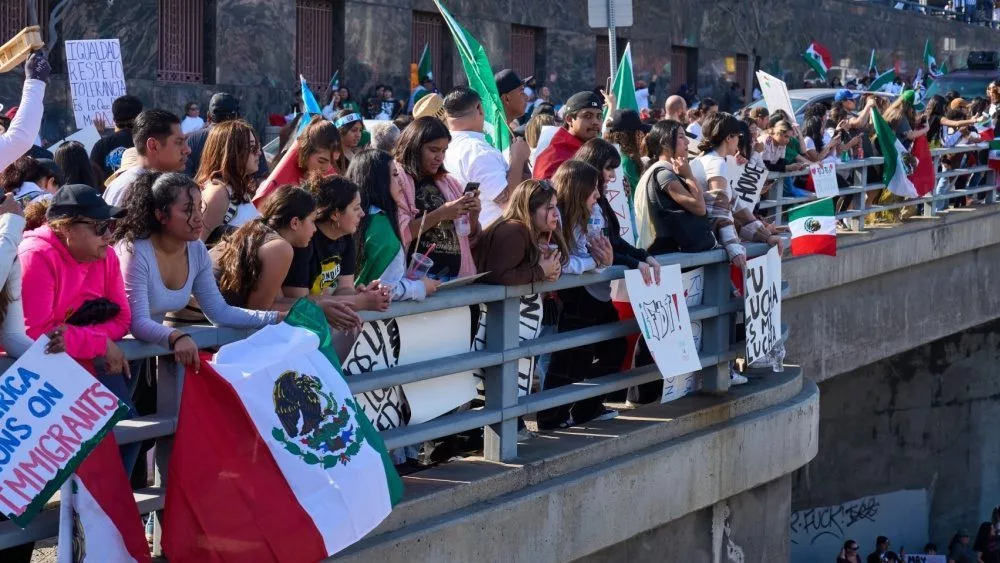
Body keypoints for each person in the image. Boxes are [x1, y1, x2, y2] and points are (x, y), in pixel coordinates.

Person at [113, 171, 282, 371]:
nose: (198, 219)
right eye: (187, 210)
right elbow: (137, 321)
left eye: (200, 208)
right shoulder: (134, 251)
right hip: (106, 355)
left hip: (142, 355)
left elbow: (219, 312)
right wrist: (176, 337)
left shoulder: (196, 249)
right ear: (160, 215)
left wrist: (277, 318)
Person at [535, 160, 617, 430]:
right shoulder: (555, 215)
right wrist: (596, 263)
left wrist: (603, 260)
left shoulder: (587, 214)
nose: (598, 195)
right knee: (569, 359)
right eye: (594, 189)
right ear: (579, 189)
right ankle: (551, 417)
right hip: (569, 297)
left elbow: (592, 252)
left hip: (592, 294)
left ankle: (585, 408)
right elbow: (561, 261)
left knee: (612, 348)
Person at [282, 175, 390, 316]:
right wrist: (360, 302)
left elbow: (345, 287)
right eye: (356, 208)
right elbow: (299, 301)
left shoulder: (346, 239)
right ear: (335, 214)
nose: (362, 214)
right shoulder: (305, 240)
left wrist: (358, 295)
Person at [393, 116, 480, 281]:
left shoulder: (448, 182)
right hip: (417, 280)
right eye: (433, 150)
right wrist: (440, 213)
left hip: (455, 277)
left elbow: (469, 236)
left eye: (444, 150)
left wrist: (473, 213)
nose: (439, 157)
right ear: (415, 147)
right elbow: (400, 233)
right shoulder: (397, 179)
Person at [347, 149, 440, 300]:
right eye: (395, 175)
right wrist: (420, 287)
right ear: (379, 180)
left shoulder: (357, 219)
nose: (401, 183)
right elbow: (384, 288)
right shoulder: (381, 226)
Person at [213, 186, 317, 310]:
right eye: (312, 221)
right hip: (199, 317)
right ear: (295, 223)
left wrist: (317, 306)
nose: (315, 229)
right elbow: (259, 310)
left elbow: (277, 300)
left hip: (198, 310)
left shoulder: (258, 230)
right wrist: (318, 308)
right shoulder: (280, 248)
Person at [443, 86, 531, 229]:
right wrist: (518, 158)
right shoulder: (478, 151)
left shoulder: (444, 146)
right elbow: (508, 203)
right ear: (479, 108)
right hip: (490, 238)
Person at [633, 120, 717, 254]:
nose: (687, 142)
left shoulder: (669, 171)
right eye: (681, 136)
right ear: (664, 143)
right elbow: (699, 208)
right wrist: (689, 176)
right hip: (666, 255)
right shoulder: (663, 174)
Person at [472, 178, 566, 285]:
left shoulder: (539, 229)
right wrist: (541, 271)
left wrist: (554, 269)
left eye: (555, 206)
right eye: (549, 207)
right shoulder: (514, 230)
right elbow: (499, 276)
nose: (556, 214)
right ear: (529, 210)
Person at [194, 120, 262, 245]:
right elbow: (196, 246)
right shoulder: (218, 192)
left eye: (257, 147)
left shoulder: (236, 188)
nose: (259, 152)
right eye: (252, 148)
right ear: (232, 152)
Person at [103, 109, 192, 206]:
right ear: (153, 145)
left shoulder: (153, 183)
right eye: (178, 142)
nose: (187, 150)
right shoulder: (132, 190)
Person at [253, 117, 343, 205]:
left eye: (332, 162)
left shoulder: (330, 181)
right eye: (321, 161)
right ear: (306, 153)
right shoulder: (275, 187)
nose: (327, 168)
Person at [185, 92, 268, 179]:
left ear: (208, 116)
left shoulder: (192, 140)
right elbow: (262, 178)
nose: (257, 152)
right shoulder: (246, 137)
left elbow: (184, 178)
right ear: (236, 116)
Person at [533, 91, 605, 180]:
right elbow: (543, 192)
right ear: (569, 119)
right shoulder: (554, 154)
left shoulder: (596, 150)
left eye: (599, 116)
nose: (595, 122)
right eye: (587, 116)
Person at [90, 94, 143, 178]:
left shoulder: (100, 145)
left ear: (114, 120)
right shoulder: (147, 143)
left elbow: (93, 177)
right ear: (140, 117)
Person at [604, 108, 651, 202]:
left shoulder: (613, 157)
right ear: (631, 135)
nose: (642, 136)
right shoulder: (627, 161)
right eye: (639, 132)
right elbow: (641, 194)